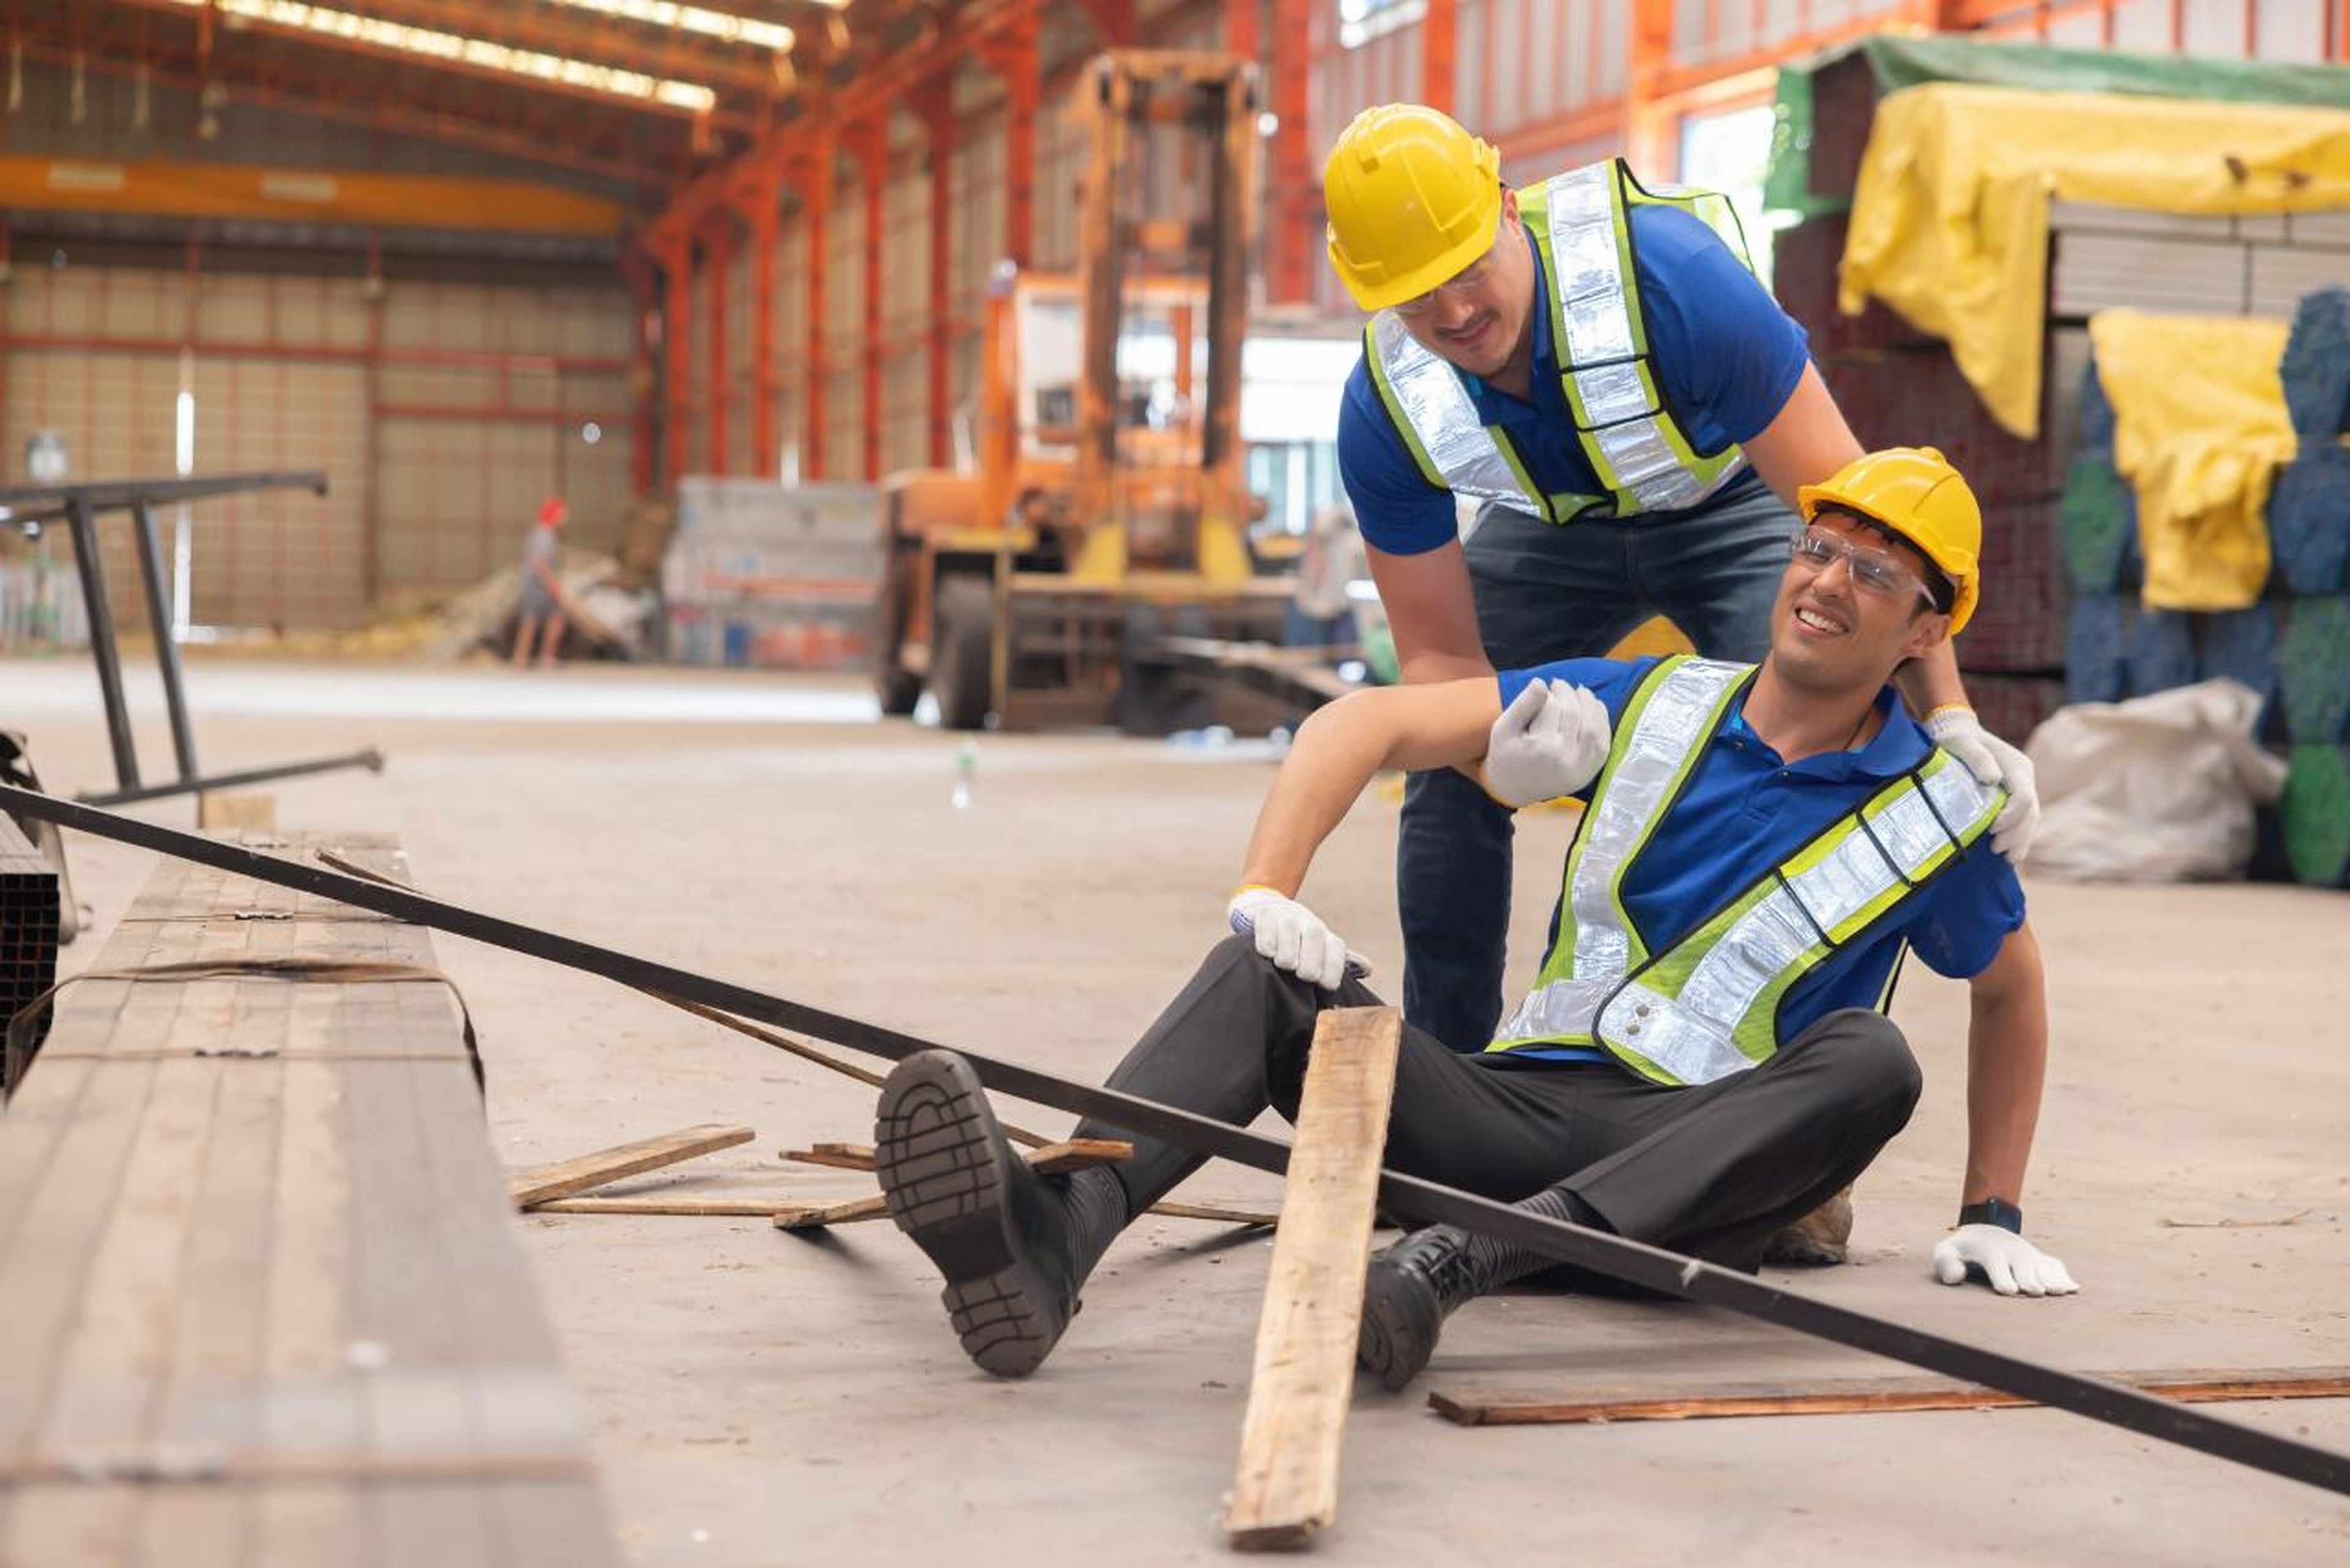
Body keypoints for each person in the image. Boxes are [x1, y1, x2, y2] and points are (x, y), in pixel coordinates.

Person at [873, 447, 2077, 1389]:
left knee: (1872, 1058)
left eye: (1878, 573)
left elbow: (2009, 989)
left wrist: (1992, 1210)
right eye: (1820, 547)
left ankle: (1469, 1257)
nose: (1829, 583)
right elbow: (1362, 724)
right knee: (1270, 974)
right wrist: (1265, 890)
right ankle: (1056, 1234)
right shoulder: (1652, 704)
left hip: (1698, 1179)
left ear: (1927, 630)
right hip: (1514, 1110)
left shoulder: (1941, 810)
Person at [1319, 104, 2041, 1062]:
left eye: (1464, 269)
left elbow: (1881, 533)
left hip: (1729, 499)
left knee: (1811, 739)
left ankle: (1792, 1107)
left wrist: (1946, 716)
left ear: (1504, 208)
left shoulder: (1675, 278)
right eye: (1414, 296)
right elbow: (1437, 661)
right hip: (1555, 530)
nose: (1452, 314)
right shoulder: (1383, 403)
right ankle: (1443, 1076)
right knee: (1441, 758)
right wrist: (1492, 765)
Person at [512, 496, 569, 669]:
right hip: (537, 585)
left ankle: (530, 658)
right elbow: (539, 562)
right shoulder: (544, 535)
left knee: (548, 619)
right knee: (534, 621)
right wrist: (551, 583)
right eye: (562, 514)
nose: (565, 518)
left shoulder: (541, 533)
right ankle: (528, 658)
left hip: (537, 583)